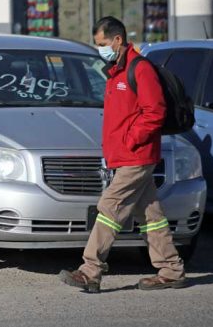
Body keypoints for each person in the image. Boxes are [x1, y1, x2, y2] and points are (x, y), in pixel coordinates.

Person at [59, 16, 186, 293]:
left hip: (136, 155)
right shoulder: (116, 71)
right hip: (126, 155)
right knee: (151, 215)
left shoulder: (139, 69)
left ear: (118, 40)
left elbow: (155, 112)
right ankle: (171, 269)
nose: (100, 49)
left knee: (109, 207)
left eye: (102, 43)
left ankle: (90, 270)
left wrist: (131, 140)